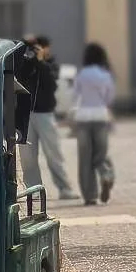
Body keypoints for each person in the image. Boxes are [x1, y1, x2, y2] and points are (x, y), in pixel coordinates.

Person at [19, 35, 73, 199]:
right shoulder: (26, 64)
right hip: (26, 115)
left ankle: (65, 189)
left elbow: (51, 82)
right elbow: (20, 75)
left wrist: (40, 62)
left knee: (53, 154)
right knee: (27, 158)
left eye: (42, 46)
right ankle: (33, 191)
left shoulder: (51, 65)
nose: (39, 50)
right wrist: (26, 50)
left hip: (45, 114)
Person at [70, 41, 117, 205]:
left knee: (85, 158)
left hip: (83, 118)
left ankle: (90, 196)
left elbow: (75, 96)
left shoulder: (82, 74)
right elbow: (109, 97)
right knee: (100, 153)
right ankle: (106, 175)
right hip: (100, 116)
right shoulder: (105, 75)